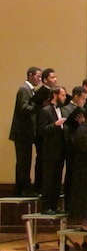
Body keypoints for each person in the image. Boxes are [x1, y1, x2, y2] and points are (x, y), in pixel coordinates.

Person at [10, 66, 41, 196]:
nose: (39, 79)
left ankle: (22, 188)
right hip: (22, 133)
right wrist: (38, 104)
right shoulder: (24, 89)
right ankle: (23, 189)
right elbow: (24, 108)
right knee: (23, 161)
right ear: (30, 75)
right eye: (38, 76)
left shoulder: (30, 90)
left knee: (25, 161)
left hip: (26, 133)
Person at [37, 86, 68, 214]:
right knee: (48, 180)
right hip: (50, 151)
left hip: (60, 150)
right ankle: (46, 207)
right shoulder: (45, 110)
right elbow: (41, 130)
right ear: (55, 95)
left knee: (57, 180)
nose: (65, 98)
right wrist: (55, 124)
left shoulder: (61, 110)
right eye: (63, 95)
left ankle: (54, 206)